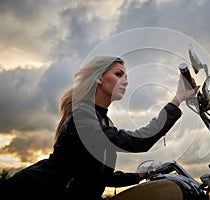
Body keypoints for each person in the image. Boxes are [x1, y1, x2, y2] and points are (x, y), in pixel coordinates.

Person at [1, 55, 199, 199]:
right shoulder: (83, 117)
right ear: (99, 79)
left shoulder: (102, 120)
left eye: (126, 76)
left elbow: (100, 177)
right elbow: (138, 141)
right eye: (118, 74)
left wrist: (140, 175)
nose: (125, 81)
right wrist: (177, 99)